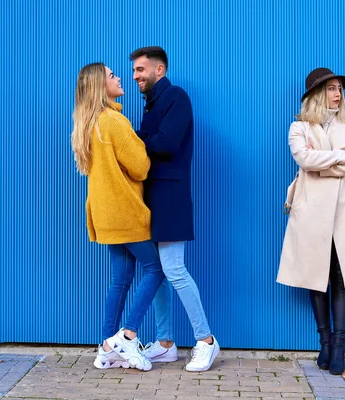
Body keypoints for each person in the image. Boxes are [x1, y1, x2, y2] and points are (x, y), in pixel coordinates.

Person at [277, 68, 345, 375]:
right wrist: (339, 157)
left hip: (344, 213)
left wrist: (325, 161)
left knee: (341, 277)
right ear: (315, 94)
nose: (337, 94)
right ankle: (323, 341)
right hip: (310, 213)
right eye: (331, 88)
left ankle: (339, 346)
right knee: (315, 276)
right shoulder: (299, 127)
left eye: (339, 89)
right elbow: (305, 160)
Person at [129, 46, 220, 372]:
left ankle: (206, 340)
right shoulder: (152, 104)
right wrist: (145, 136)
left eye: (141, 70)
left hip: (171, 196)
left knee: (174, 269)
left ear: (159, 70)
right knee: (160, 272)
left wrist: (133, 136)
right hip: (153, 196)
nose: (136, 75)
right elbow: (153, 143)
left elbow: (165, 143)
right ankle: (166, 343)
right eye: (135, 70)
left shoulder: (176, 97)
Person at [70, 62, 165, 372]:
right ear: (101, 87)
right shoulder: (114, 121)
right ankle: (125, 336)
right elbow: (141, 167)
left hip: (104, 213)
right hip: (125, 211)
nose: (120, 78)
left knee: (121, 280)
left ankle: (106, 347)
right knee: (155, 268)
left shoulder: (88, 123)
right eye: (112, 76)